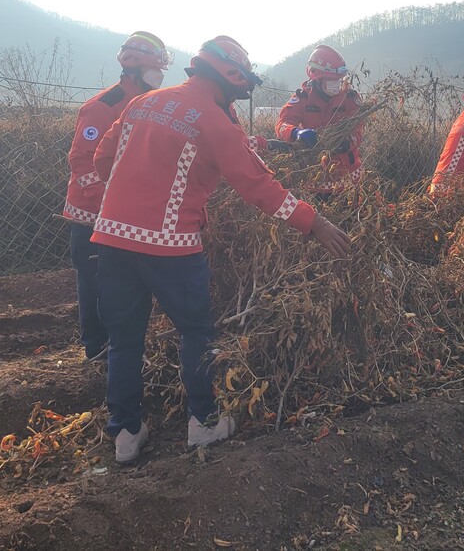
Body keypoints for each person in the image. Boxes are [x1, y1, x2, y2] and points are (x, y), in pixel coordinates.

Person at [90, 35, 351, 463]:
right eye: (242, 83)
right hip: (170, 246)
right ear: (230, 76)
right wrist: (314, 223)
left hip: (112, 239)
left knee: (124, 341)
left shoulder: (141, 105)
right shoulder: (213, 120)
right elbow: (258, 186)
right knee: (195, 334)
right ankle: (204, 424)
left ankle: (125, 433)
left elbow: (103, 161)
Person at [62, 31, 171, 363]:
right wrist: (109, 200)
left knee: (122, 283)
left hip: (126, 213)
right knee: (96, 282)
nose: (160, 76)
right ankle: (97, 350)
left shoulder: (152, 103)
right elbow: (82, 161)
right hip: (93, 215)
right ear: (136, 66)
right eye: (156, 68)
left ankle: (121, 346)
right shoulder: (103, 107)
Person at [275, 44, 365, 194]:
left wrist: (348, 142)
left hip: (350, 175)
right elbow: (282, 124)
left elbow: (358, 128)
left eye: (339, 80)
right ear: (317, 78)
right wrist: (296, 133)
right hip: (315, 176)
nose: (337, 84)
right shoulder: (303, 98)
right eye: (331, 80)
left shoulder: (349, 98)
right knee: (318, 214)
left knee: (356, 212)